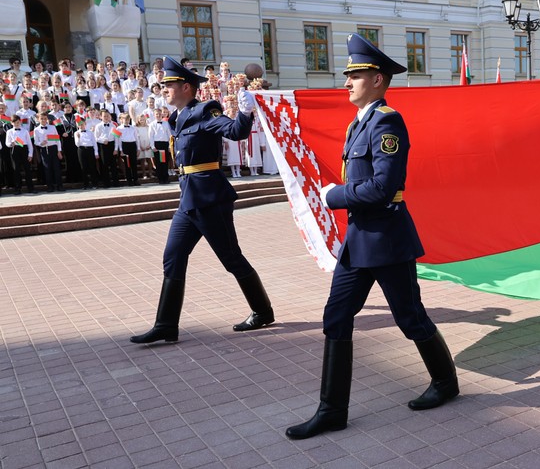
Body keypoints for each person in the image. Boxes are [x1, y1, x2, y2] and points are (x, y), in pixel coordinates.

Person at [285, 33, 458, 440]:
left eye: (355, 75)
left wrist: (335, 196)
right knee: (336, 316)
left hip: (386, 238)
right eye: (347, 76)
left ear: (378, 80)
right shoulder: (356, 125)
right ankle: (331, 411)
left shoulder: (386, 122)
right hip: (359, 239)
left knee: (409, 317)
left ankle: (446, 384)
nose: (346, 82)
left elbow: (383, 186)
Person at [130, 56, 275, 344]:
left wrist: (245, 113)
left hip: (210, 198)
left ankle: (262, 311)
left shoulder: (205, 110)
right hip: (189, 199)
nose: (164, 90)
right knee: (173, 257)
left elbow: (235, 132)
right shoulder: (177, 118)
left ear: (185, 87)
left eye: (169, 85)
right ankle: (166, 325)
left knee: (231, 258)